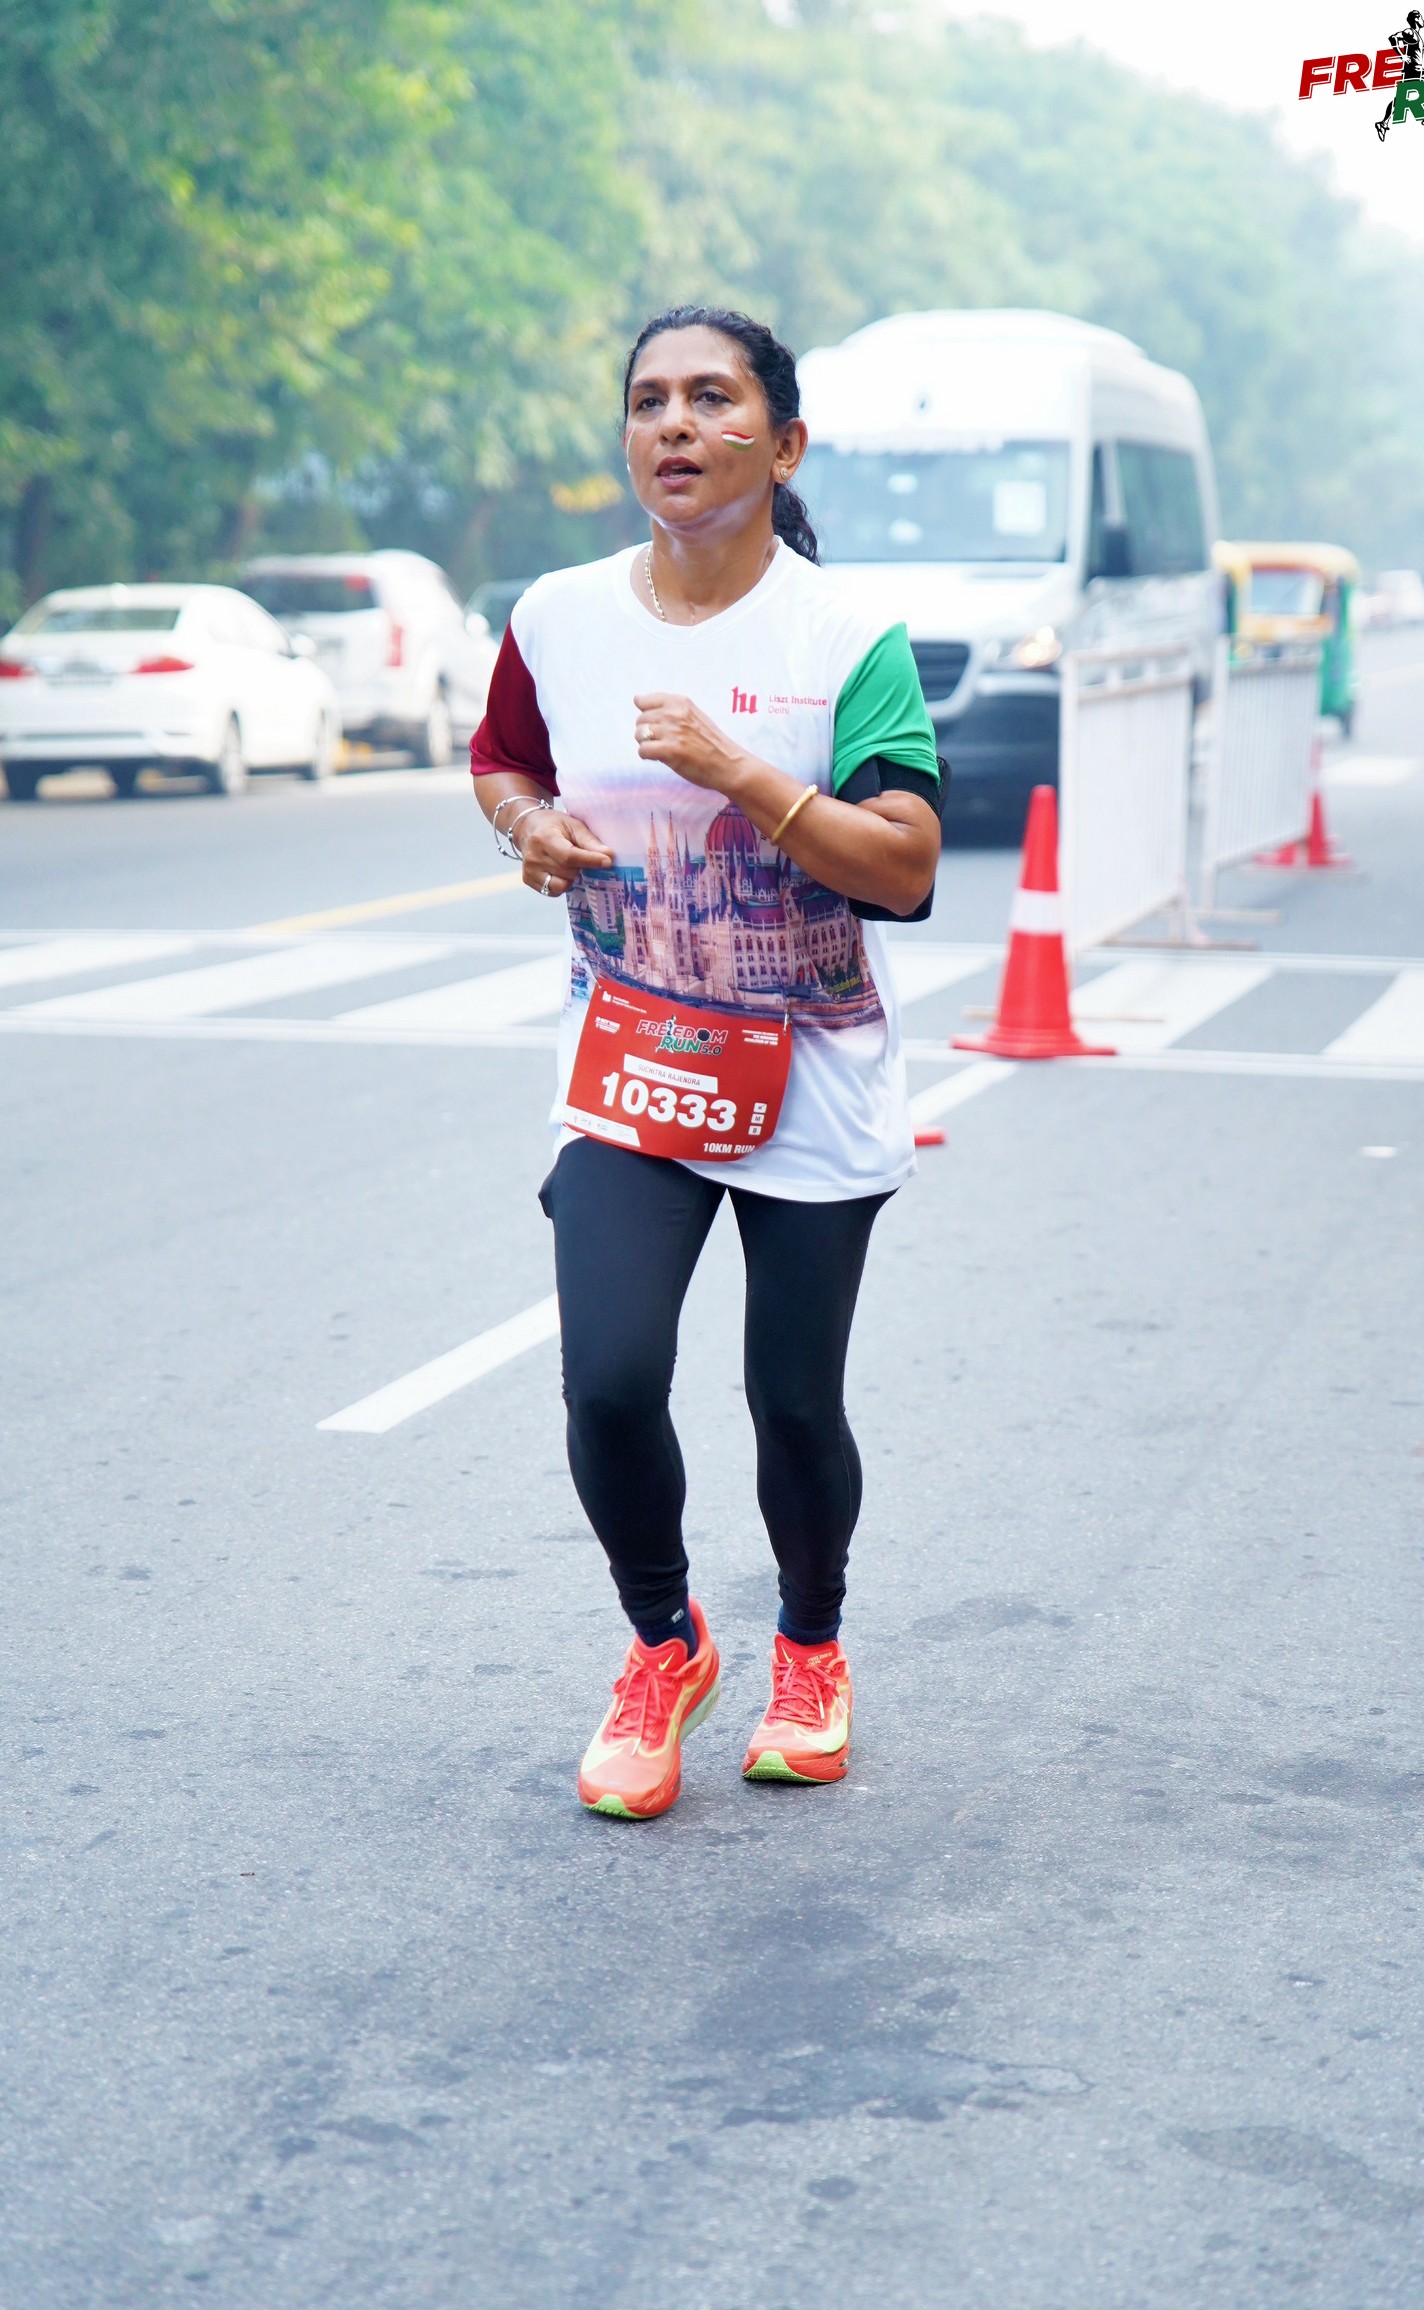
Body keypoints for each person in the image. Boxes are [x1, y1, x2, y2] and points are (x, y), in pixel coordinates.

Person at [470, 305, 942, 1820]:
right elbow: (502, 757)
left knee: (792, 1404)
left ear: (782, 443)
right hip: (633, 1066)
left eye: (712, 399)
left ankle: (810, 1648)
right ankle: (665, 1645)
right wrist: (530, 826)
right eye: (649, 400)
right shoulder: (559, 616)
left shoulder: (844, 638)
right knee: (609, 1381)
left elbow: (906, 869)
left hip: (809, 1075)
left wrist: (739, 771)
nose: (674, 424)